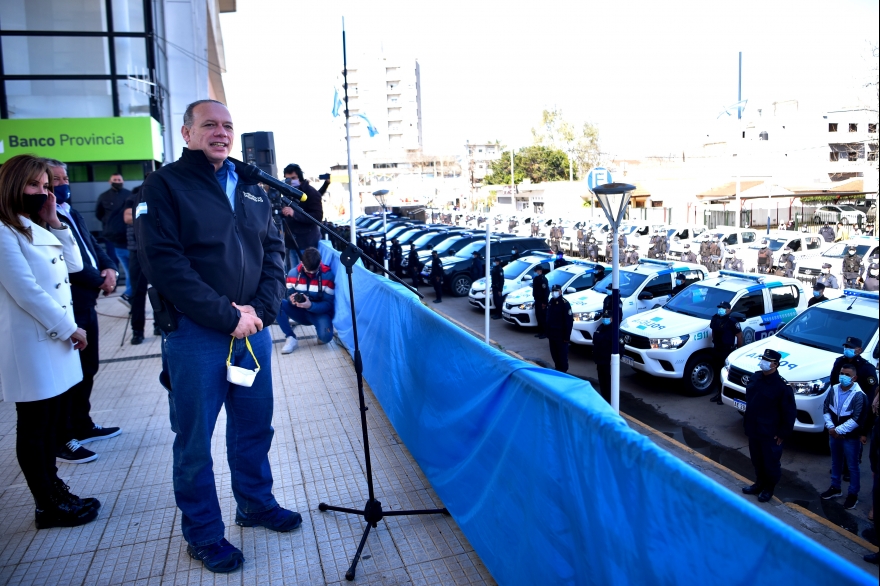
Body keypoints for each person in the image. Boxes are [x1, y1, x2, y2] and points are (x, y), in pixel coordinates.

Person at [136, 99, 298, 574]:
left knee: (253, 427)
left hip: (252, 332)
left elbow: (274, 251)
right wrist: (227, 316)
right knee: (194, 440)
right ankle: (204, 534)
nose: (221, 133)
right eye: (209, 125)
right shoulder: (164, 185)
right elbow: (164, 263)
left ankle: (255, 504)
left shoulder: (250, 188)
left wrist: (261, 313)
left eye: (227, 126)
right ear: (186, 134)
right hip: (196, 335)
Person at [0, 154, 97, 528]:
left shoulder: (34, 227)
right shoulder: (4, 230)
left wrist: (55, 221)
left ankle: (56, 490)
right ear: (13, 185)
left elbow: (73, 265)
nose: (43, 192)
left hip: (54, 339)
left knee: (53, 423)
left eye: (46, 186)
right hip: (33, 344)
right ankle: (46, 503)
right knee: (36, 428)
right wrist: (67, 327)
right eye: (34, 186)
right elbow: (25, 290)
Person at [45, 159, 122, 463]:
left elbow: (92, 244)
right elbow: (67, 264)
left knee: (87, 367)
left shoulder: (69, 211)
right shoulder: (41, 219)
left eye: (65, 178)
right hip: (70, 301)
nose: (63, 184)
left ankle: (81, 423)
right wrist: (99, 279)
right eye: (55, 180)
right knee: (68, 372)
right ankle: (63, 435)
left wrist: (110, 268)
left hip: (87, 300)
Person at [741, 349, 797, 503]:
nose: (763, 362)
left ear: (775, 364)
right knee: (757, 460)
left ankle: (769, 488)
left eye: (767, 360)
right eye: (763, 358)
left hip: (770, 432)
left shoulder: (782, 387)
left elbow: (789, 412)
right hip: (754, 428)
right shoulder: (755, 377)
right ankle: (759, 484)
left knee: (770, 463)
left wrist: (783, 433)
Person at [821, 364, 869, 510]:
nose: (843, 376)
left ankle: (853, 495)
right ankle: (835, 487)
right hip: (834, 434)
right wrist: (831, 427)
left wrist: (838, 431)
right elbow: (826, 408)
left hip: (851, 437)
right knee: (836, 462)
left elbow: (857, 419)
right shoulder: (834, 389)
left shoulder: (859, 395)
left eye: (847, 375)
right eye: (842, 373)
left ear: (854, 378)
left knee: (853, 466)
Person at [278, 247, 335, 353]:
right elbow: (289, 295)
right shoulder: (292, 274)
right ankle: (290, 337)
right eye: (308, 271)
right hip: (300, 311)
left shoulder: (328, 276)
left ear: (319, 264)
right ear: (302, 263)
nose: (311, 274)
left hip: (319, 313)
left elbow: (329, 304)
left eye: (315, 271)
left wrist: (310, 305)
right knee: (277, 304)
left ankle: (321, 331)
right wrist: (292, 300)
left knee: (325, 338)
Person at [280, 163, 324, 271]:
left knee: (308, 274)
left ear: (300, 177)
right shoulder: (287, 192)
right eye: (287, 179)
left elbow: (318, 217)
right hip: (292, 243)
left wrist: (295, 214)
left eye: (293, 178)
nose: (291, 181)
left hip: (307, 244)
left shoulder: (311, 193)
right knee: (296, 275)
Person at [95, 173, 132, 296]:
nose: (117, 181)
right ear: (110, 182)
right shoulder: (104, 196)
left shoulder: (128, 194)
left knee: (129, 266)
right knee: (111, 261)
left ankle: (129, 290)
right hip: (111, 235)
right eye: (115, 180)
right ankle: (112, 285)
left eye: (119, 179)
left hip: (126, 235)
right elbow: (99, 214)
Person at [709, 301, 744, 404]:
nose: (720, 309)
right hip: (717, 349)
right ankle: (718, 394)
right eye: (719, 307)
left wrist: (738, 350)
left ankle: (724, 396)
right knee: (717, 372)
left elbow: (739, 336)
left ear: (729, 310)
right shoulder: (715, 318)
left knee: (725, 374)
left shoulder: (732, 321)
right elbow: (713, 331)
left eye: (723, 308)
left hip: (727, 350)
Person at [546, 284, 574, 372]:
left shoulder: (564, 304)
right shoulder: (551, 301)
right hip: (552, 334)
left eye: (556, 291)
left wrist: (567, 337)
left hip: (561, 336)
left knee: (562, 358)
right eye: (553, 291)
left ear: (560, 292)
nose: (554, 293)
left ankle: (564, 374)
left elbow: (569, 322)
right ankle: (558, 371)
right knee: (555, 356)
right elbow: (549, 317)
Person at [591, 311, 613, 402]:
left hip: (608, 362)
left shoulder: (614, 331)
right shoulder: (600, 328)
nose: (605, 319)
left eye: (607, 318)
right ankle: (604, 399)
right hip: (600, 361)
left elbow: (620, 348)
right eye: (604, 317)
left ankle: (610, 401)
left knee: (609, 384)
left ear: (611, 319)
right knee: (602, 383)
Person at [531, 265, 549, 339]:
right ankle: (540, 331)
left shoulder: (543, 279)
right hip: (537, 300)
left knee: (542, 318)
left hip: (542, 302)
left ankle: (545, 333)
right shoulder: (536, 279)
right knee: (538, 316)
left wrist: (544, 303)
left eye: (536, 271)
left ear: (540, 271)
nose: (535, 272)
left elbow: (546, 292)